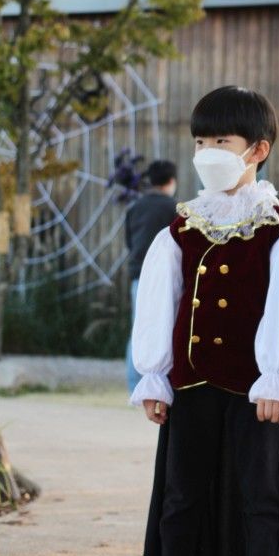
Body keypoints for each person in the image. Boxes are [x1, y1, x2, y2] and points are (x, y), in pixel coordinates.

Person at [130, 86, 279, 556]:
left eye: (221, 140)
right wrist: (155, 377)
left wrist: (277, 375)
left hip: (257, 385)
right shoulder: (180, 228)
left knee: (263, 486)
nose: (208, 150)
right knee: (182, 485)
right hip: (190, 382)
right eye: (200, 140)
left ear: (256, 149)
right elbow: (159, 303)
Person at [124, 160, 178, 395]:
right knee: (170, 327)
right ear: (171, 181)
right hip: (168, 278)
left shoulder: (135, 207)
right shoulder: (174, 208)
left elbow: (128, 241)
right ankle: (163, 385)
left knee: (140, 328)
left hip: (138, 275)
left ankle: (136, 386)